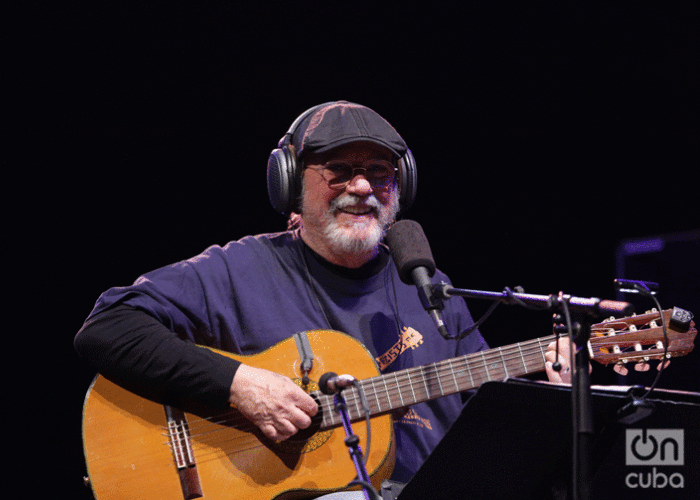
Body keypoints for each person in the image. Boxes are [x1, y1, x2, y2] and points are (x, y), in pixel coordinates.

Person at [74, 100, 573, 499]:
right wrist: (238, 383)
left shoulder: (428, 287)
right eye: (339, 169)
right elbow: (108, 327)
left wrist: (549, 395)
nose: (362, 187)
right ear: (289, 182)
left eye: (381, 173)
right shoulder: (239, 270)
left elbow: (485, 429)